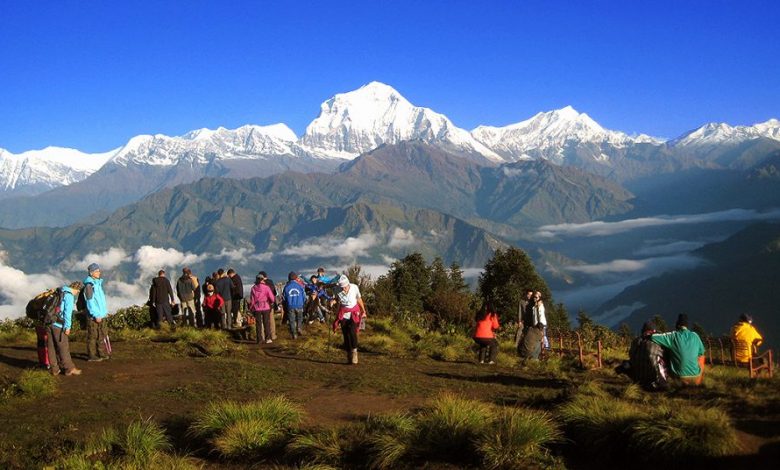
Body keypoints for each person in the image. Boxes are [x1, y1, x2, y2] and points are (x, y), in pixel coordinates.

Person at [651, 314, 706, 385]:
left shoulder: (673, 336)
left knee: (667, 351)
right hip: (696, 376)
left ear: (677, 325)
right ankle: (698, 380)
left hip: (679, 377)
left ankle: (665, 380)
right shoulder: (695, 335)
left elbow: (653, 337)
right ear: (687, 325)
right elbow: (702, 352)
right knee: (701, 356)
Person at [47, 281, 84, 376]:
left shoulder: (59, 291)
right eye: (78, 291)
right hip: (59, 325)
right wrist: (67, 327)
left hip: (49, 322)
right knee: (63, 347)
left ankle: (54, 369)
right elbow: (67, 313)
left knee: (51, 347)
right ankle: (69, 368)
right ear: (77, 289)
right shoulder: (69, 296)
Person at [330, 275, 367, 364]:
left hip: (354, 312)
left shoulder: (354, 287)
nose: (344, 289)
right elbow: (336, 299)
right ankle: (349, 353)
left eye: (345, 287)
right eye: (342, 287)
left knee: (352, 331)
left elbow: (359, 299)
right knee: (345, 334)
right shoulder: (337, 290)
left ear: (348, 284)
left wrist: (363, 310)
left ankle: (354, 352)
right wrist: (332, 302)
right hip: (344, 313)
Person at [627, 321, 668, 391]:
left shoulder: (635, 341)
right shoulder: (656, 342)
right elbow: (666, 356)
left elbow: (631, 355)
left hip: (638, 379)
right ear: (652, 332)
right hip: (654, 380)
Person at [84, 263, 110, 362]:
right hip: (93, 316)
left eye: (99, 271)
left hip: (101, 314)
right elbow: (90, 302)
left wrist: (103, 313)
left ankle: (101, 353)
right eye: (97, 271)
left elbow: (100, 301)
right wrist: (95, 314)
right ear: (91, 273)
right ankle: (92, 355)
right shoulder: (89, 286)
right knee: (93, 335)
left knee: (101, 334)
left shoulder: (97, 284)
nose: (99, 273)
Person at [248, 275, 277, 344]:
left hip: (257, 307)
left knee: (258, 324)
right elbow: (272, 298)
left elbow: (252, 300)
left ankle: (259, 339)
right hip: (265, 307)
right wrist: (271, 302)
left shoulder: (253, 288)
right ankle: (268, 338)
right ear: (262, 280)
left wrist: (251, 307)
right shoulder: (266, 287)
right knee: (266, 323)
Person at [283, 272, 306, 339]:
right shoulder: (300, 286)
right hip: (299, 305)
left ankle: (294, 334)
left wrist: (286, 304)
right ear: (296, 278)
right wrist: (302, 303)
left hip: (290, 306)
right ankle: (299, 328)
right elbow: (304, 296)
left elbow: (284, 298)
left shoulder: (286, 287)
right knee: (300, 318)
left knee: (292, 320)